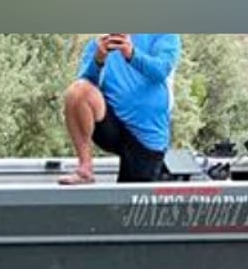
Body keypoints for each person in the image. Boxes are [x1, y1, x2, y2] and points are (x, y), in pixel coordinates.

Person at [57, 33, 182, 185]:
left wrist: (131, 53)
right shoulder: (101, 39)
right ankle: (85, 169)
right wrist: (98, 59)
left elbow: (161, 70)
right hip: (112, 124)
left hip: (147, 137)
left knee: (130, 197)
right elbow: (86, 81)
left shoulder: (165, 35)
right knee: (77, 91)